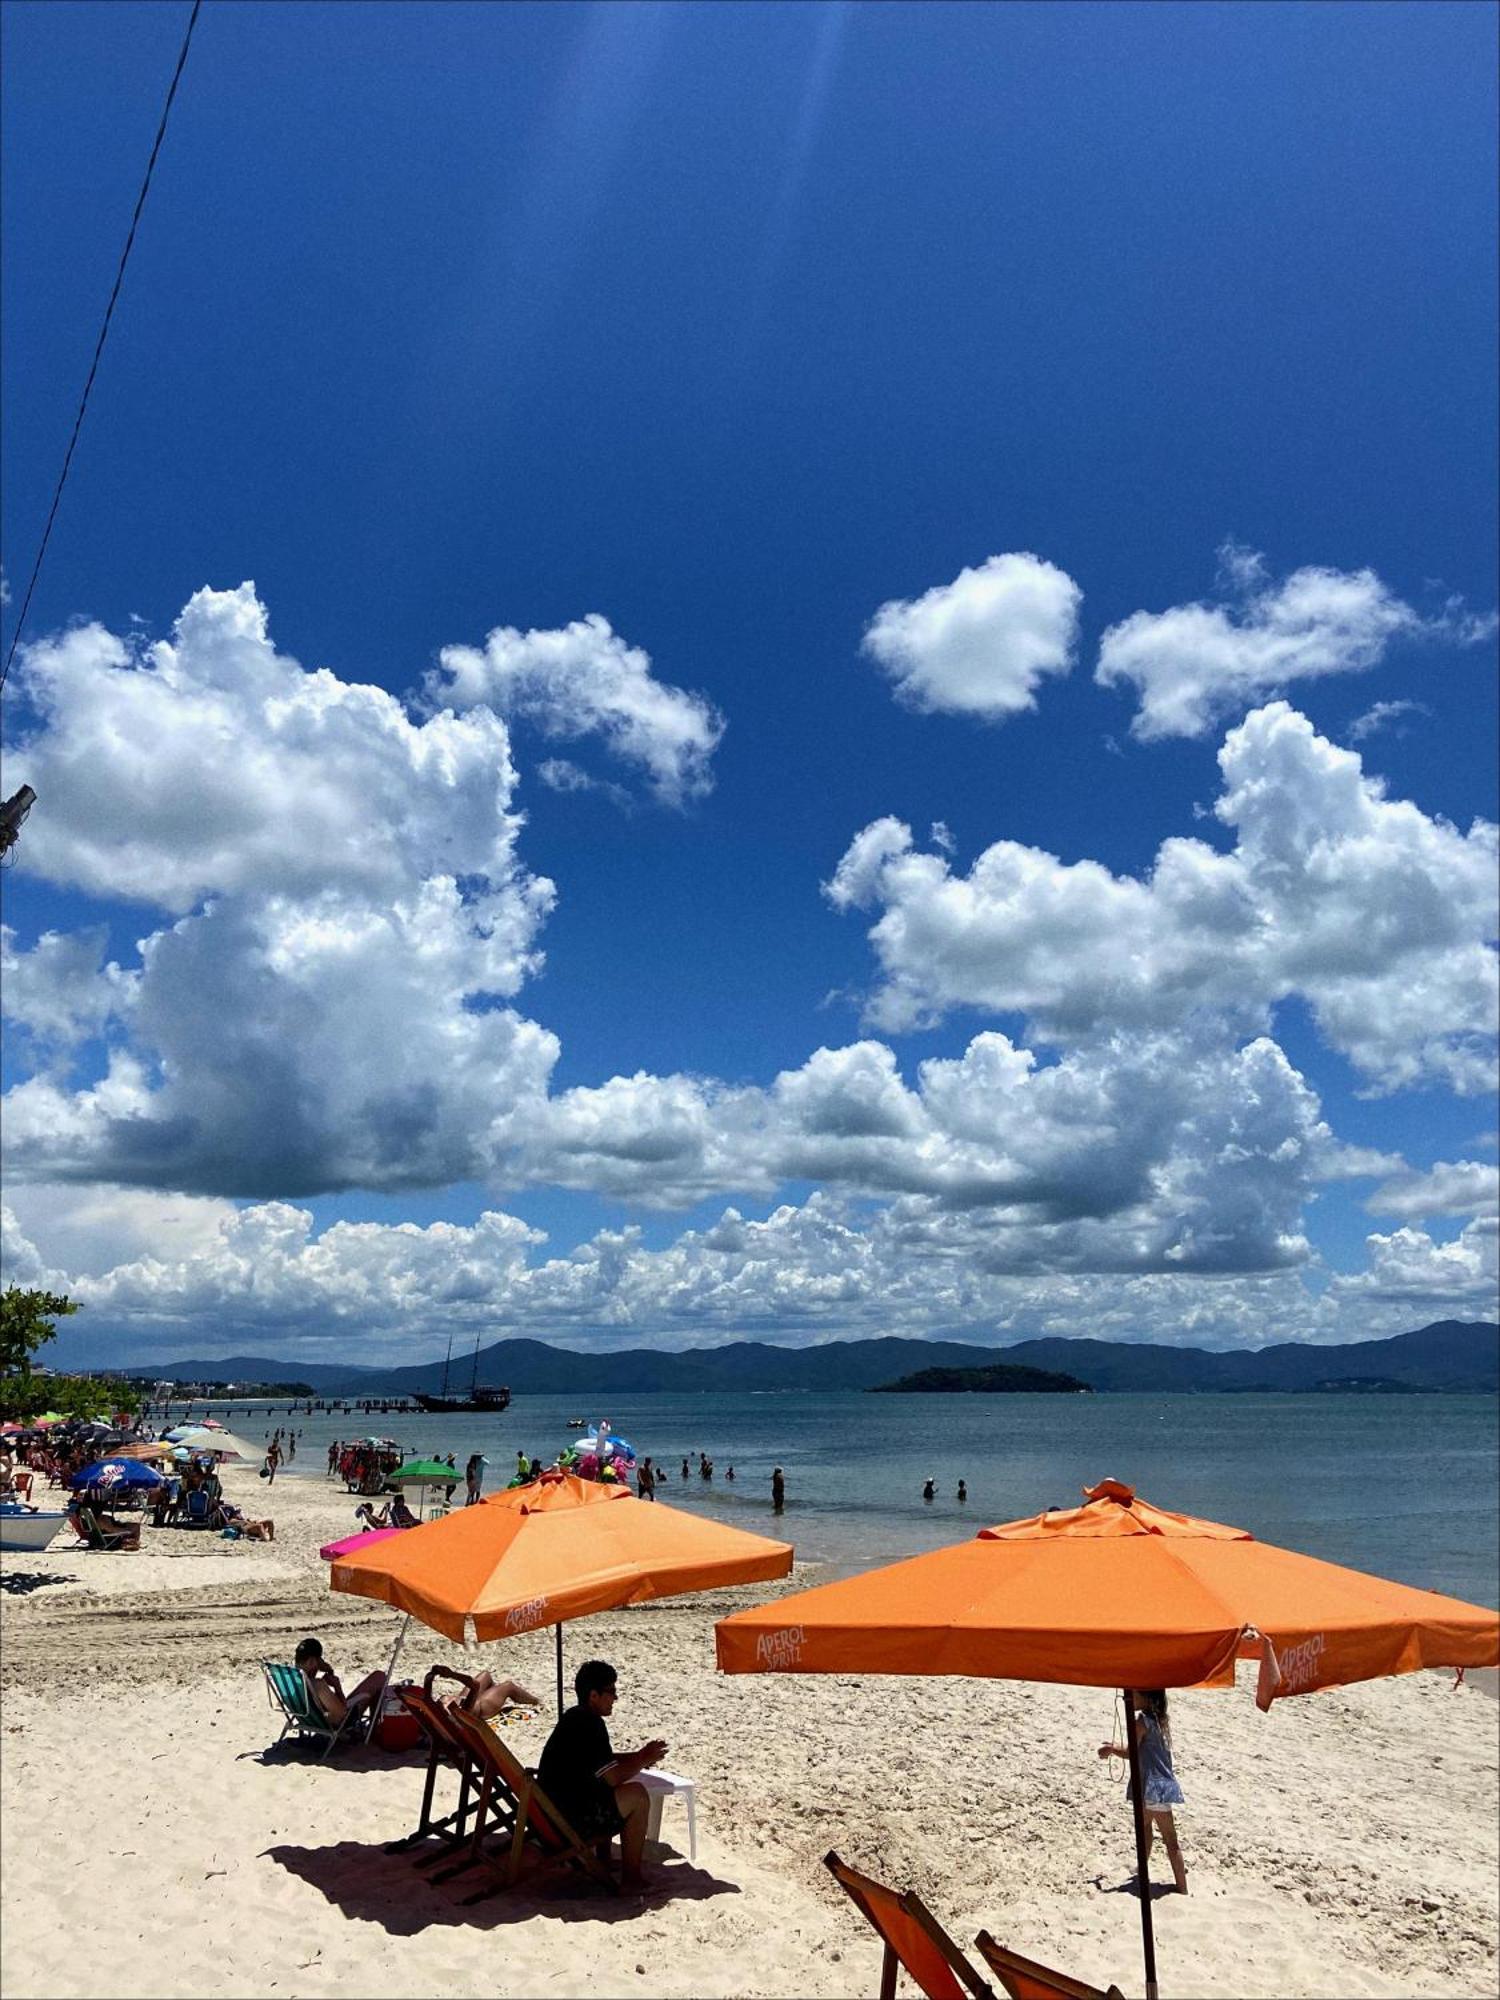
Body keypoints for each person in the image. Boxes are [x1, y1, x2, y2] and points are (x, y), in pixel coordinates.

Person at [537, 1659, 666, 1891]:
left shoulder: (575, 1718)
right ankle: (632, 1880)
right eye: (611, 1691)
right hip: (569, 1820)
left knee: (604, 1788)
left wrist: (638, 1755)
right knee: (637, 1794)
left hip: (553, 1812)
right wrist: (642, 1760)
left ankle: (604, 1859)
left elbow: (601, 1761)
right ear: (594, 1695)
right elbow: (613, 1777)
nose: (615, 1698)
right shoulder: (590, 1724)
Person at [1098, 1689, 1188, 1893]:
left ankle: (1161, 1881)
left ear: (1146, 1698)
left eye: (1135, 1694)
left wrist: (1112, 1749)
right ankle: (1175, 1885)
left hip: (1150, 1786)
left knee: (1159, 1836)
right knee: (1158, 1834)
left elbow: (1131, 1752)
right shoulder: (1160, 1720)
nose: (1129, 1697)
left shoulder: (1142, 1721)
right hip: (1164, 1785)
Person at [295, 1636, 387, 1731]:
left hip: (314, 1720)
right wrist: (337, 1687)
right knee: (379, 1677)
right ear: (312, 1661)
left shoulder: (293, 1681)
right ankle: (374, 1728)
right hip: (339, 1722)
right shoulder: (318, 1685)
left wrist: (327, 1670)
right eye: (319, 1660)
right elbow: (342, 1715)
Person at [434, 1664, 540, 1721]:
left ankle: (494, 1694)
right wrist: (452, 1674)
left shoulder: (441, 1711)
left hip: (468, 1704)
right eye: (446, 1701)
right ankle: (535, 1701)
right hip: (482, 1709)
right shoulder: (463, 1710)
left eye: (443, 1698)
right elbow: (474, 1685)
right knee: (508, 1686)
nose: (448, 1697)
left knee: (485, 1675)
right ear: (447, 1710)